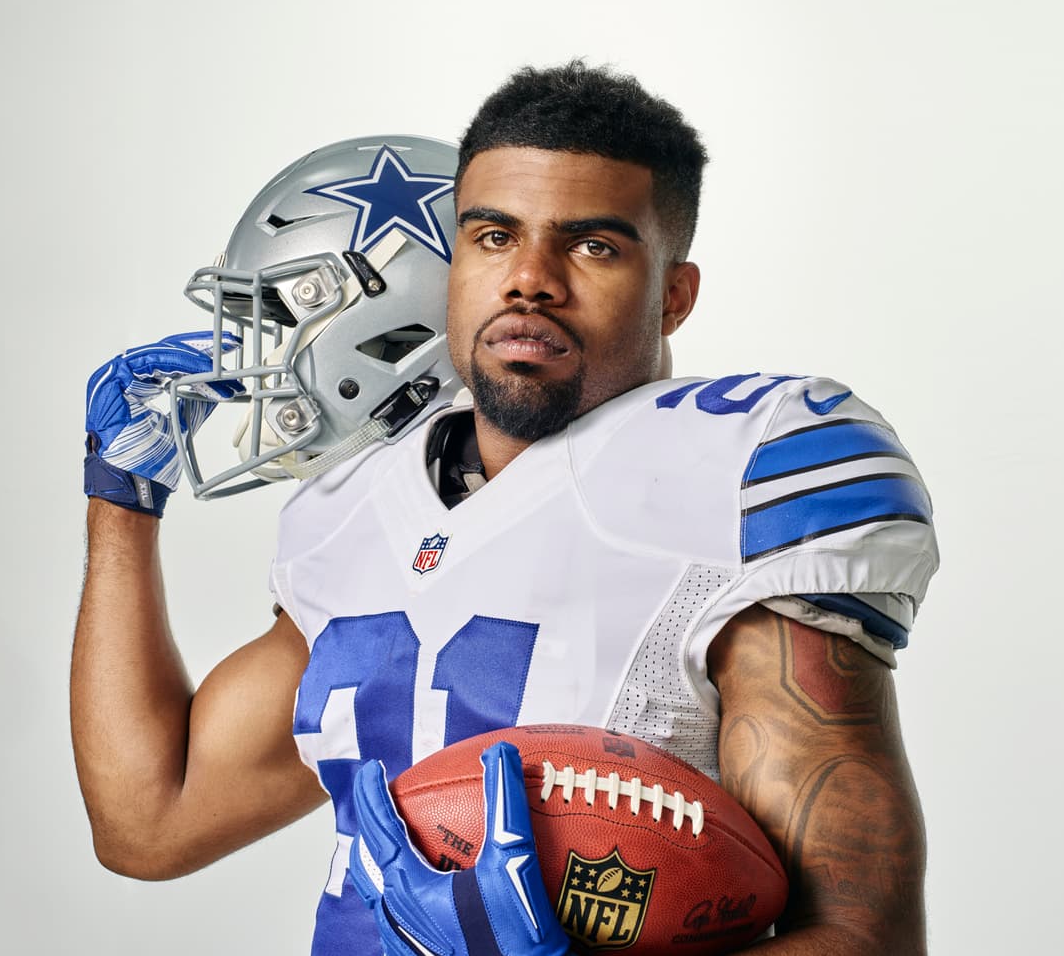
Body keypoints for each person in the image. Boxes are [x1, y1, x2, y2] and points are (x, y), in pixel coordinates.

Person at [73, 61, 938, 955]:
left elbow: (862, 937)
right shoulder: (352, 504)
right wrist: (123, 505)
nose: (530, 279)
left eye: (593, 246)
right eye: (492, 237)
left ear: (675, 295)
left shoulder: (741, 472)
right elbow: (151, 819)